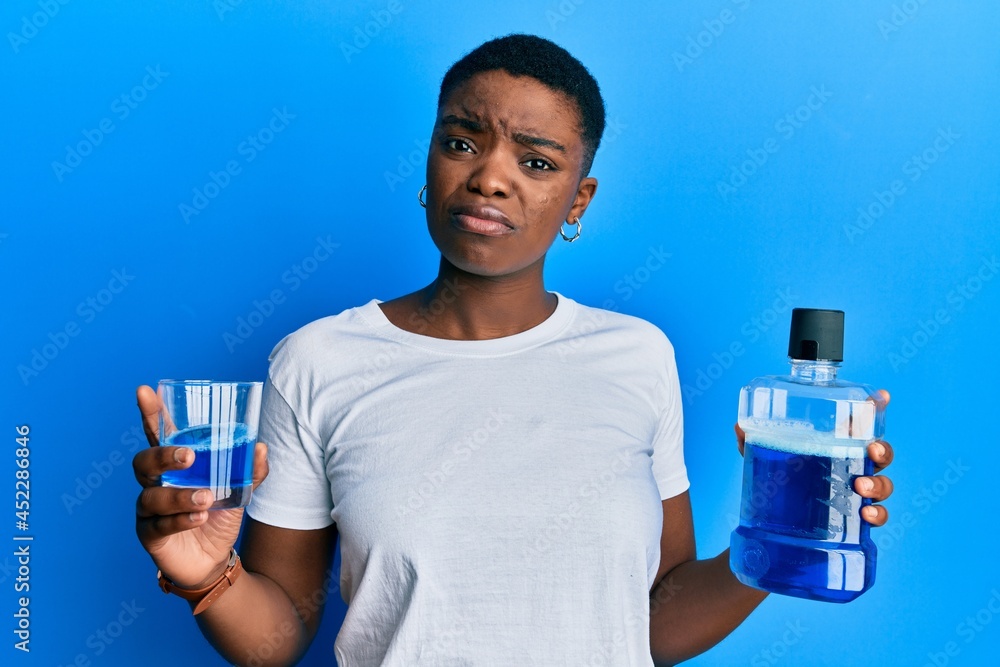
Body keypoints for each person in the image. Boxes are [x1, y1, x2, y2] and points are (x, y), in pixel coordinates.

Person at [133, 34, 895, 666]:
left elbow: (652, 623)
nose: (490, 177)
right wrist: (207, 575)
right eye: (461, 142)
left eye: (536, 161)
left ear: (578, 200)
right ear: (429, 162)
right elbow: (278, 635)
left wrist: (777, 537)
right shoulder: (319, 360)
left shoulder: (638, 356)